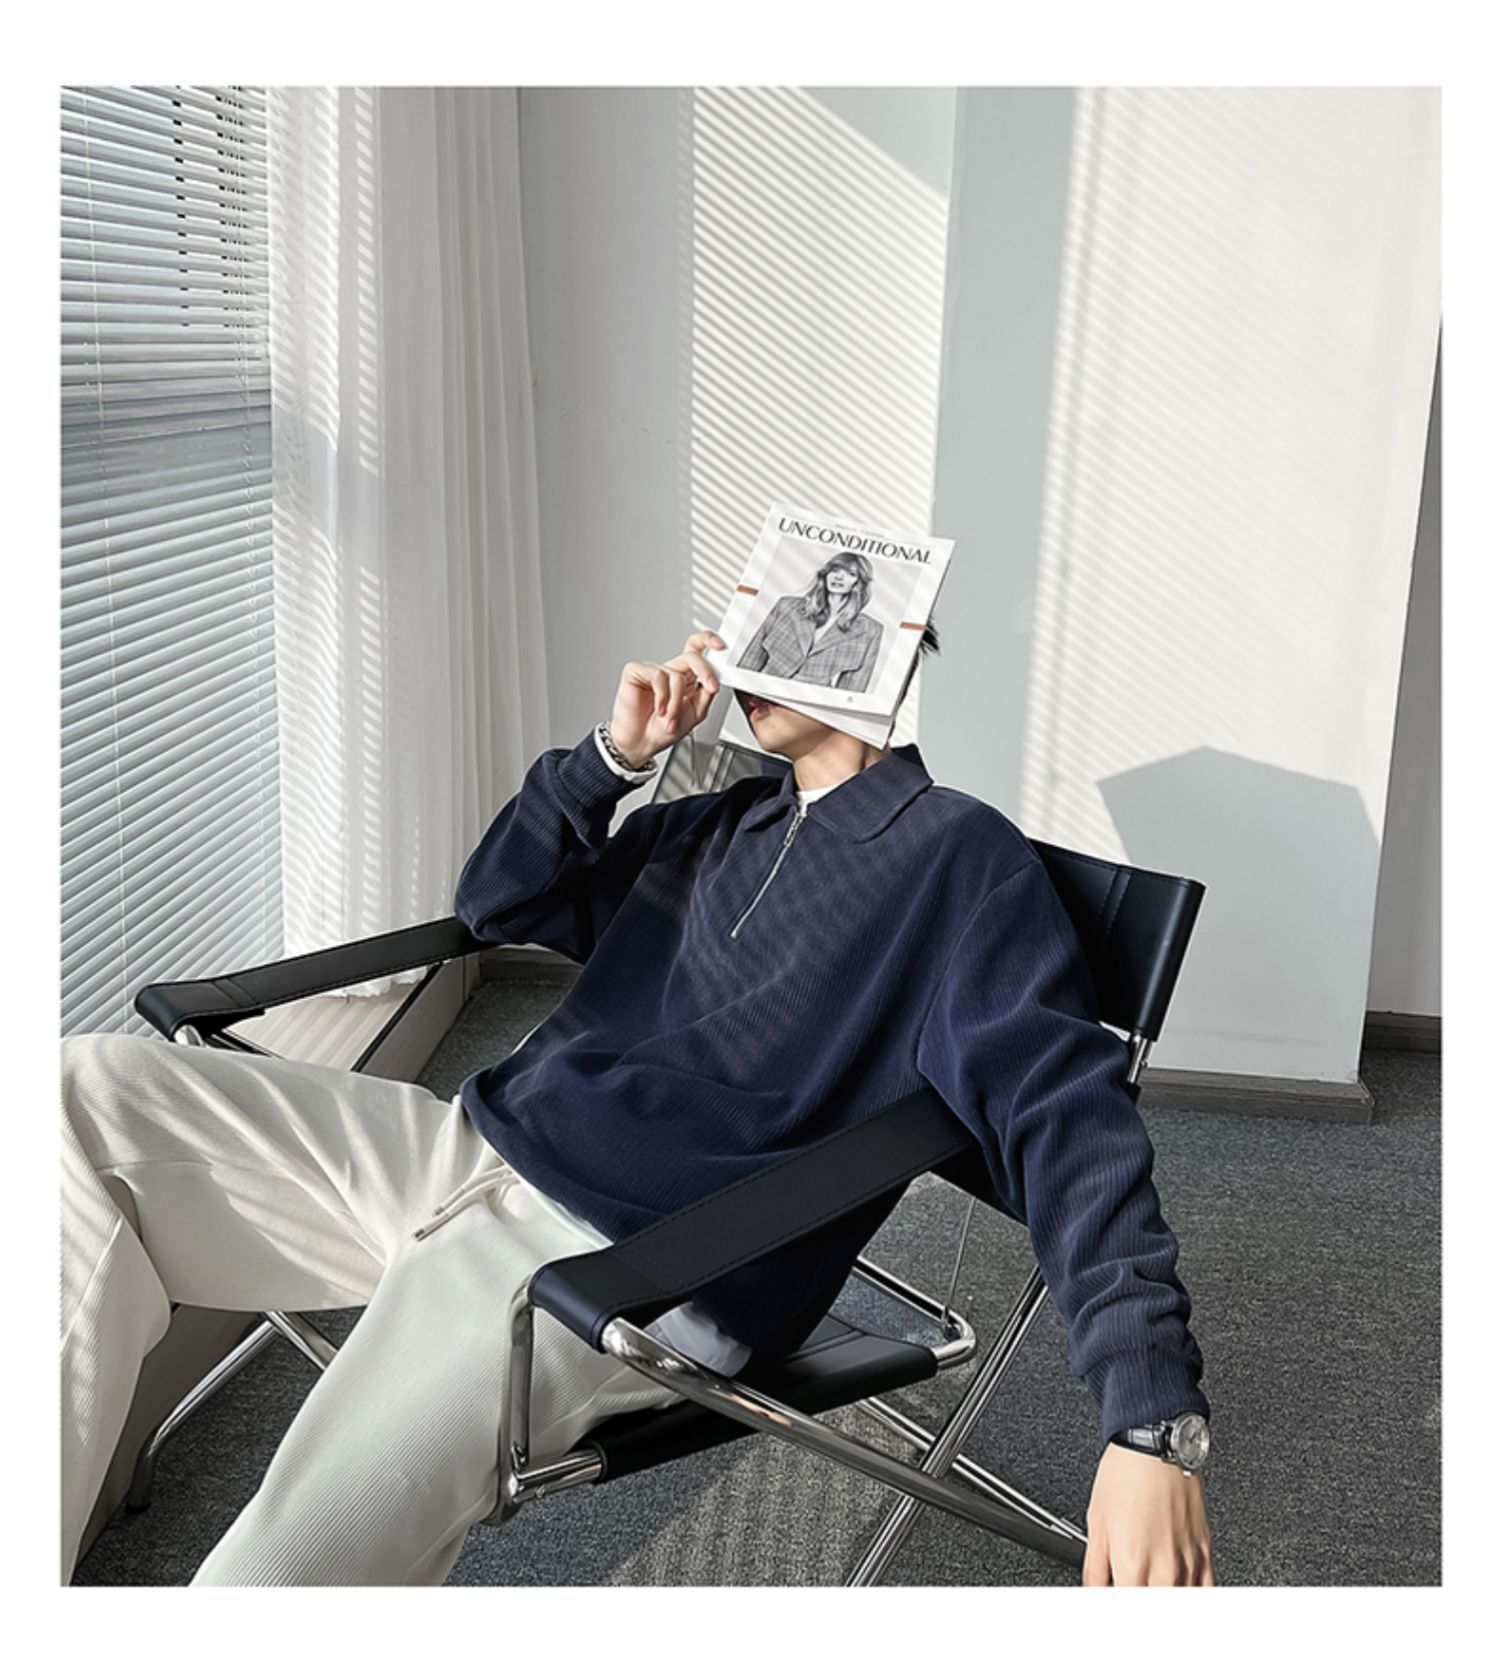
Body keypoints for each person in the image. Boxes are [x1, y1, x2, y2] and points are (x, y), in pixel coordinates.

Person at [60, 624, 1214, 1588]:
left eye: (806, 629)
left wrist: (1150, 1424)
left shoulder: (962, 857)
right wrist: (613, 759)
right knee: (74, 1092)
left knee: (267, 1580)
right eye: (755, 622)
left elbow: (1069, 1127)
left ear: (892, 653)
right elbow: (501, 902)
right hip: (466, 1148)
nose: (760, 653)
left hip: (621, 1265)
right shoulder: (718, 820)